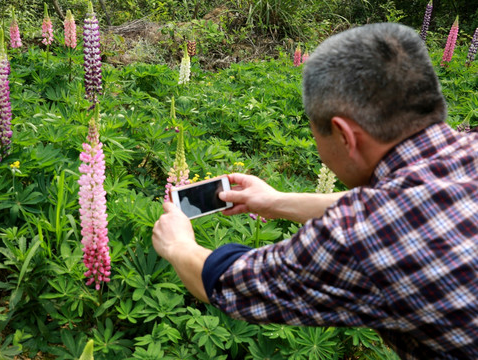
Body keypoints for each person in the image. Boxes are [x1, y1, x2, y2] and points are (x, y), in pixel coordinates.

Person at [152, 23, 477, 359]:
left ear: (344, 136)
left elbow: (230, 284)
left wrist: (178, 245)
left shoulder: (359, 236)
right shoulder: (466, 150)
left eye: (316, 134)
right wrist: (277, 202)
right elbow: (404, 203)